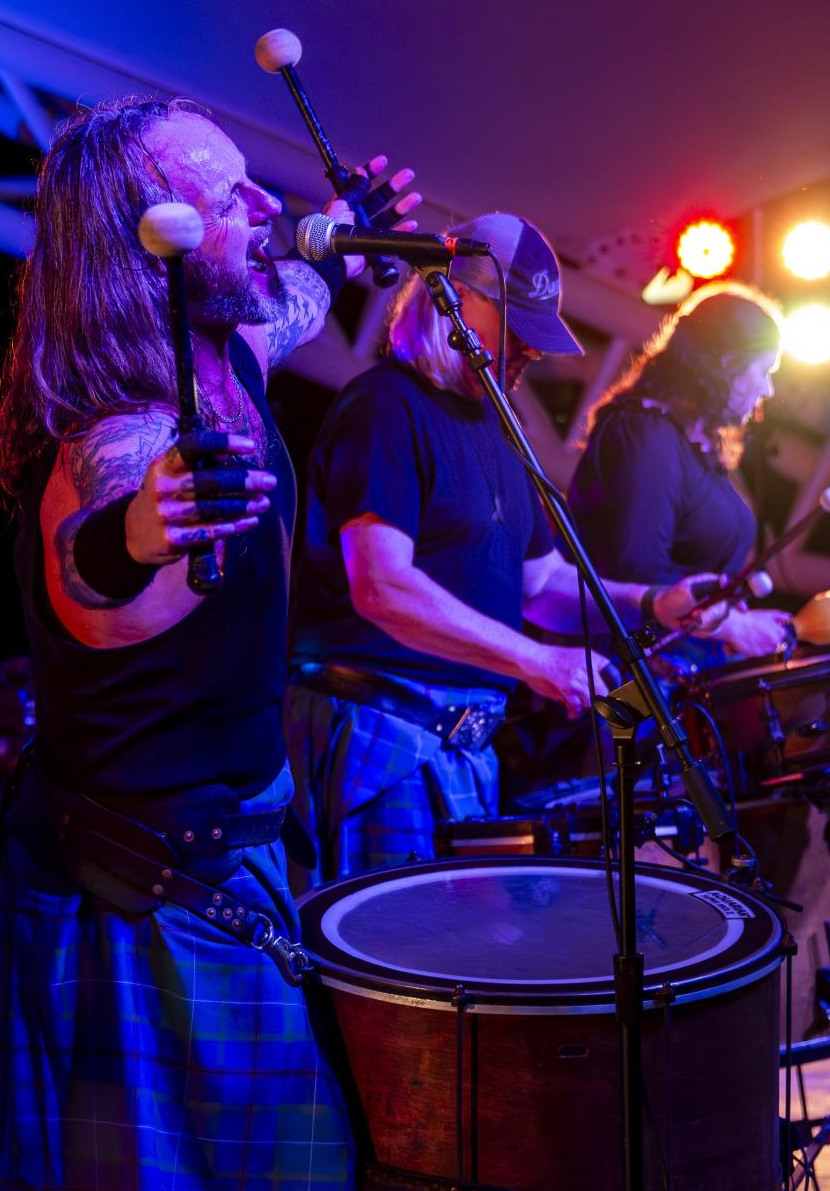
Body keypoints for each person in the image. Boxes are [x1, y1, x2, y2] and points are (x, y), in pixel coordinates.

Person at [0, 96, 418, 1189]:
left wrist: (347, 232)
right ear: (145, 248)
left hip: (233, 857)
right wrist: (134, 535)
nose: (263, 204)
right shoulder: (121, 433)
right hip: (151, 894)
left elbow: (301, 291)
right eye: (227, 198)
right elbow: (90, 578)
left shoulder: (235, 355)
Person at [285, 212, 735, 882]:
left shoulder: (499, 427)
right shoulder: (385, 407)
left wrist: (652, 603)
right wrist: (535, 660)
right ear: (452, 299)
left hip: (463, 750)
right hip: (384, 737)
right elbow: (382, 586)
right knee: (397, 947)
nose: (531, 351)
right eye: (516, 328)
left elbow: (542, 585)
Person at [568, 281, 793, 664]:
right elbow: (635, 570)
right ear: (729, 364)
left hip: (673, 667)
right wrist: (732, 626)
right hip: (619, 679)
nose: (768, 389)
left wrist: (734, 615)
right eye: (765, 370)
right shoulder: (646, 433)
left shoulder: (694, 446)